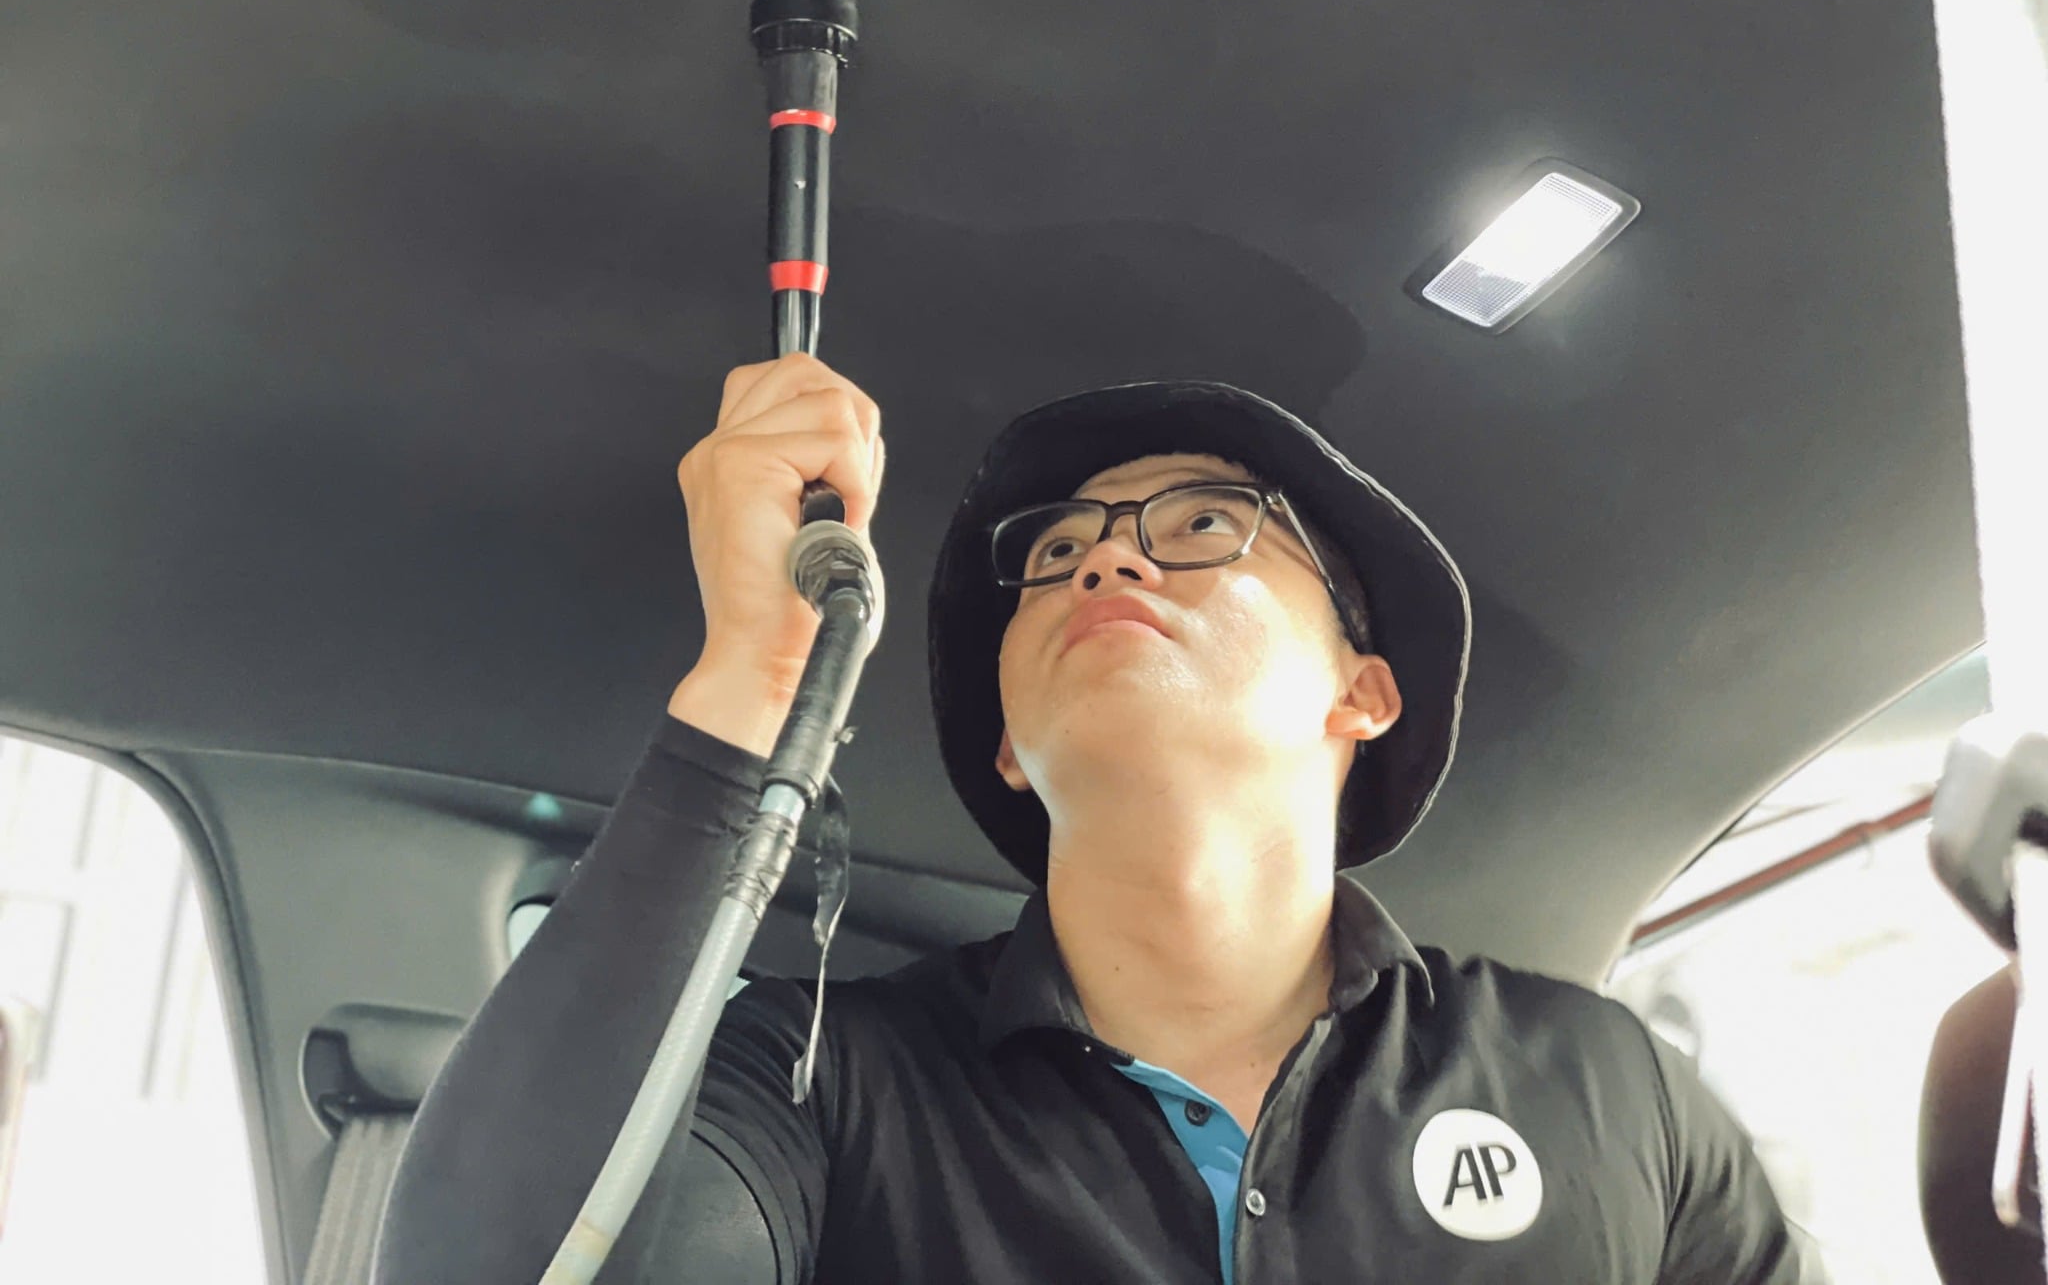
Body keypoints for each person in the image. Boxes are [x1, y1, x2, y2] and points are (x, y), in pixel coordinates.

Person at [373, 353, 1810, 1284]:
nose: (1105, 562)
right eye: (1055, 553)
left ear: (1363, 691)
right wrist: (753, 675)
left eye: (1203, 527)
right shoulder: (827, 1083)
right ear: (1010, 745)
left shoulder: (1604, 1086)